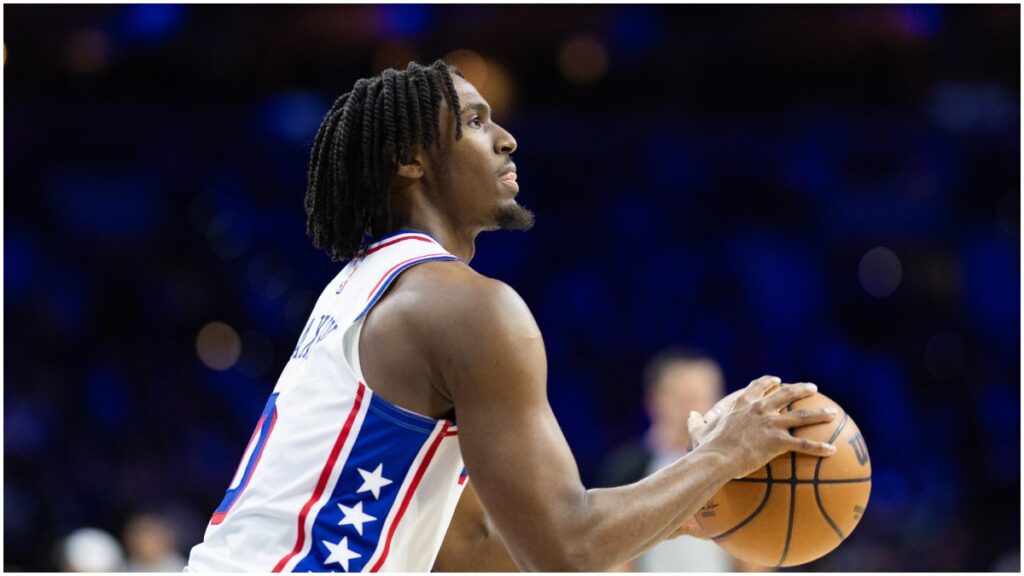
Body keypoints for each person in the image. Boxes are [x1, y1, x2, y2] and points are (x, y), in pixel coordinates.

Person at [185, 60, 838, 572]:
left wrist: (676, 506)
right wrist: (725, 454)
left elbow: (470, 548)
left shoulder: (359, 289)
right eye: (473, 122)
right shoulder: (465, 306)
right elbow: (567, 552)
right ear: (411, 159)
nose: (506, 138)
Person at [600, 348, 762, 572]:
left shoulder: (737, 471)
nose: (693, 407)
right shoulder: (627, 469)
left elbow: (754, 558)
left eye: (702, 396)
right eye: (682, 397)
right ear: (653, 401)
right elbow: (613, 557)